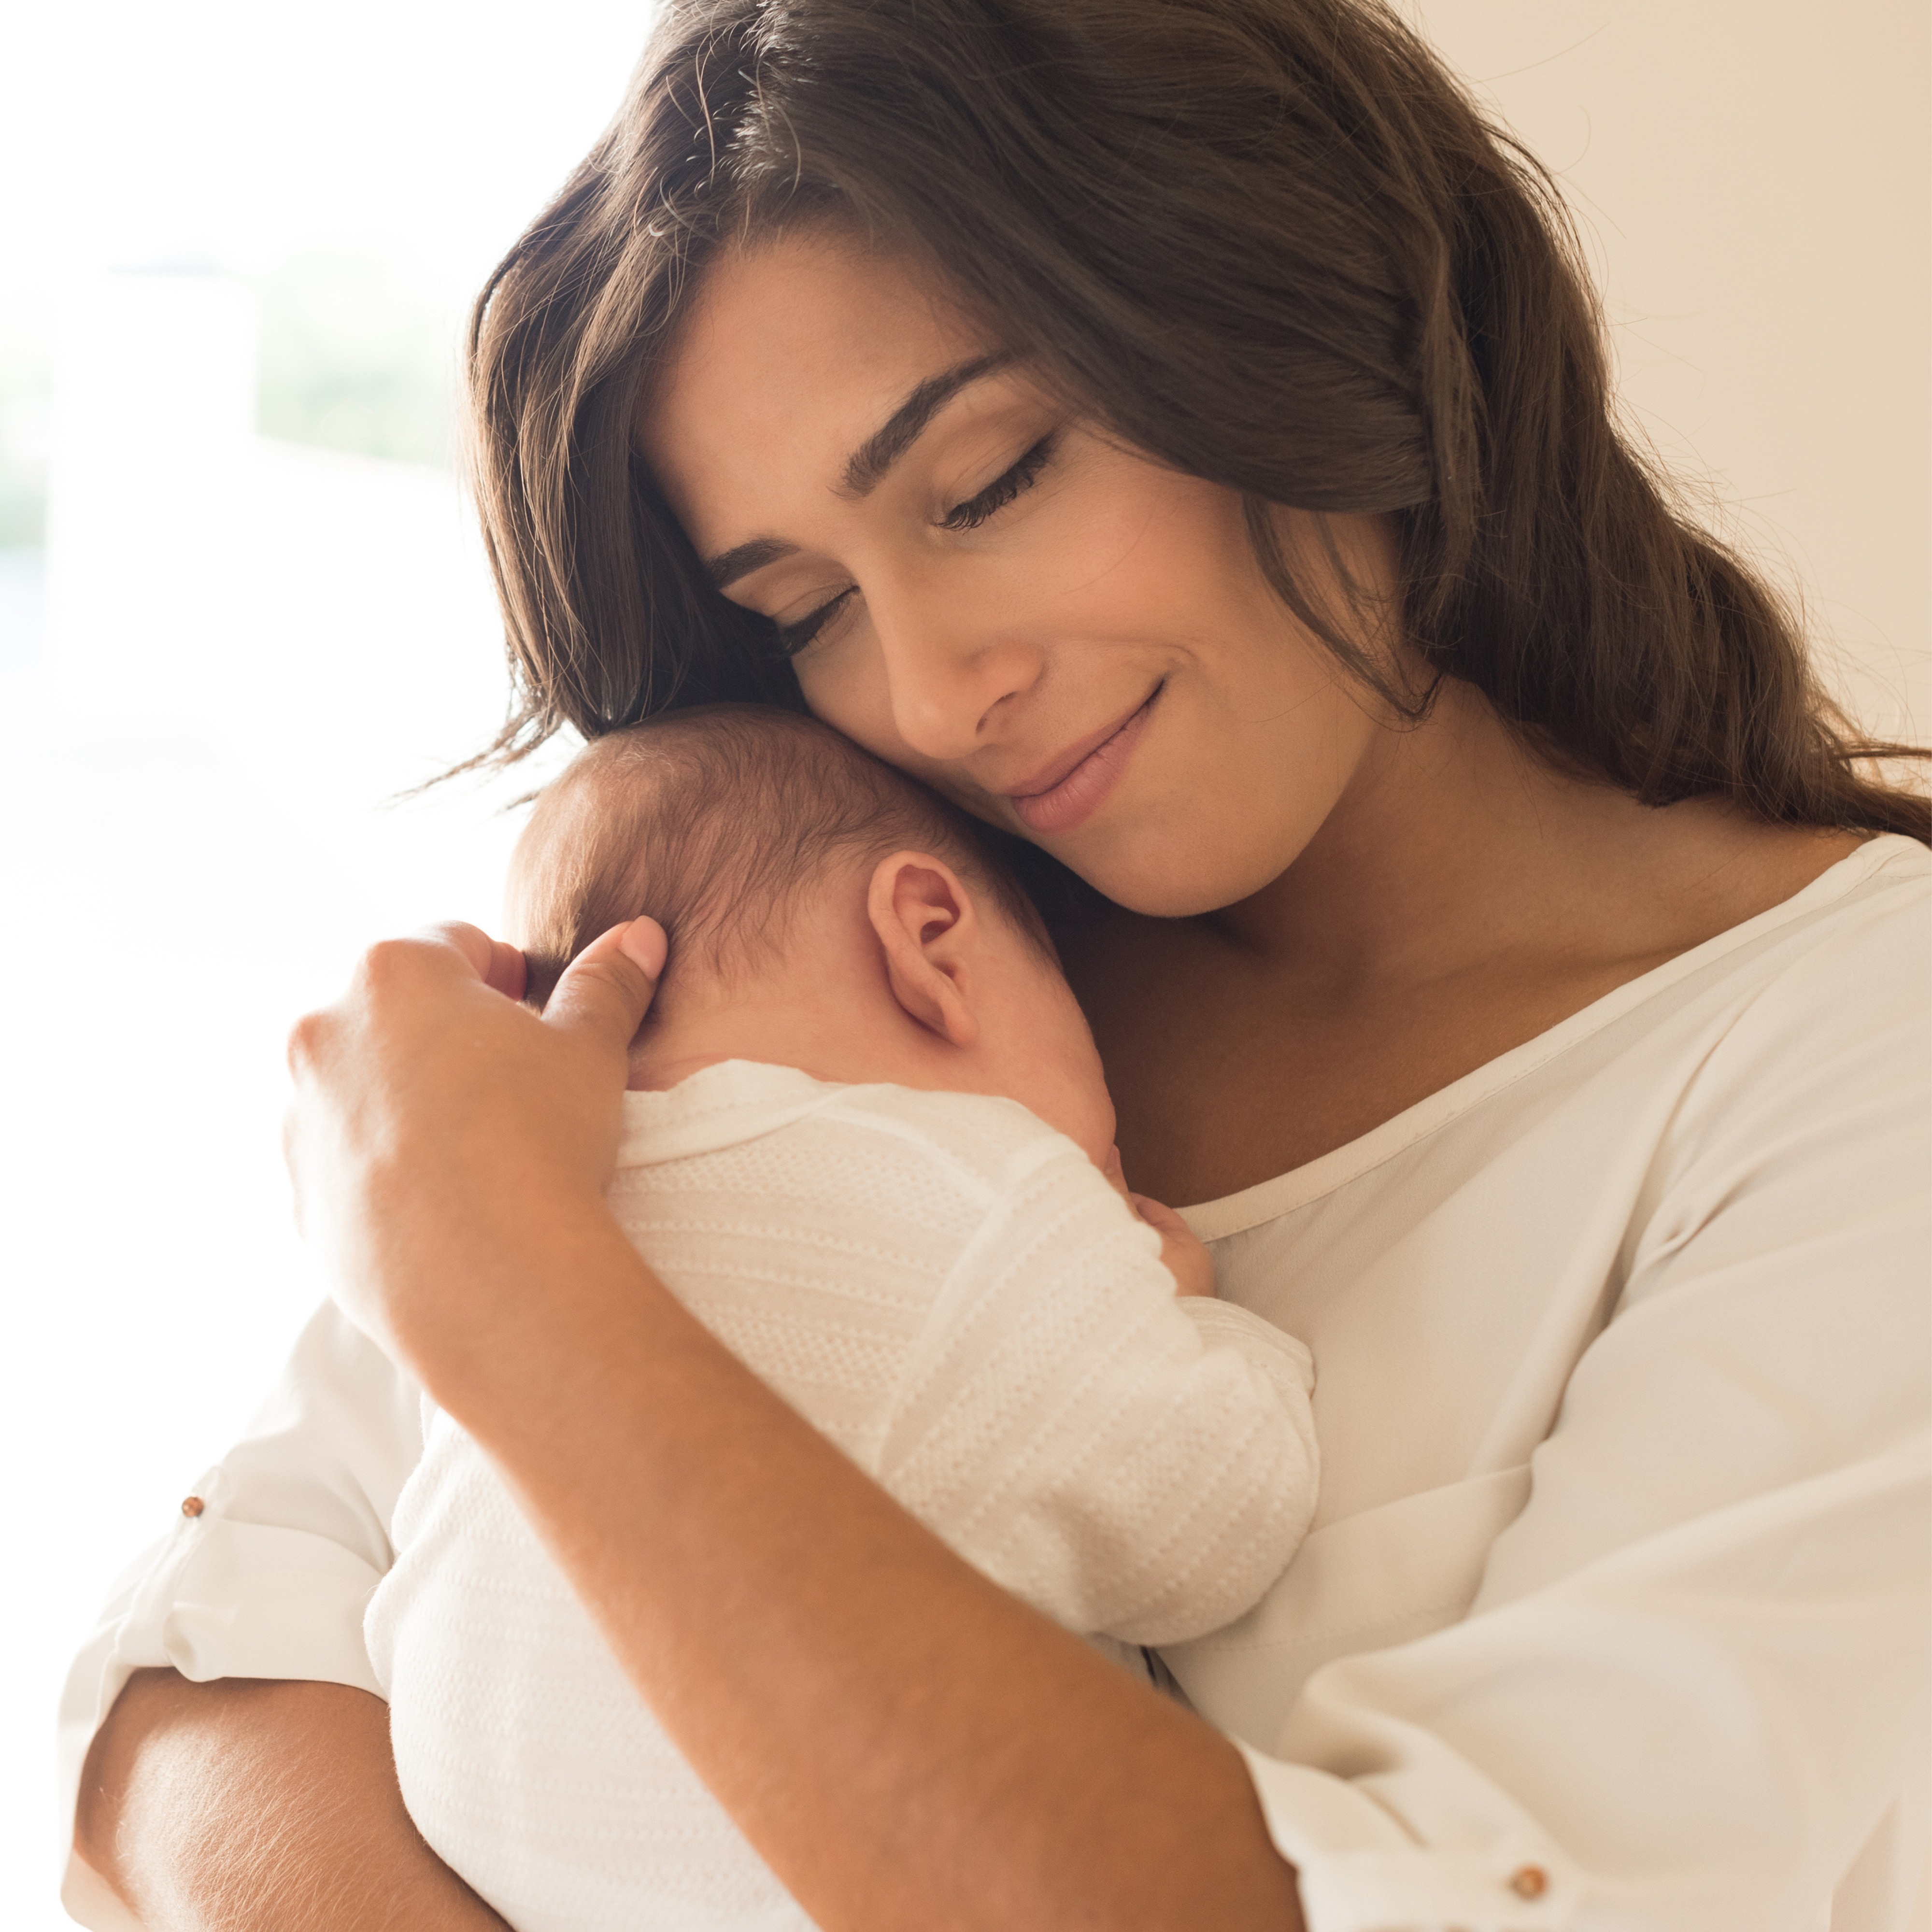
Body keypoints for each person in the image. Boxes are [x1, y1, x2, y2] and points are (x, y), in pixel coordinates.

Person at [64, 0, 1929, 1928]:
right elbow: (179, 1718)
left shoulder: (1850, 1056)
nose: (938, 695)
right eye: (803, 608)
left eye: (986, 483)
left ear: (1302, 301)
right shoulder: (839, 959)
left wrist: (508, 1289)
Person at [367, 703, 1319, 1931]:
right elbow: (1214, 1526)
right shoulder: (976, 1193)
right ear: (932, 940)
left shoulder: (514, 1213)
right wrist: (1202, 1322)